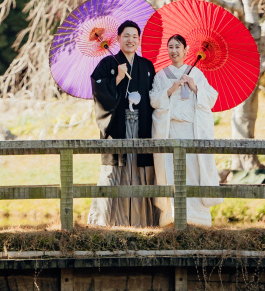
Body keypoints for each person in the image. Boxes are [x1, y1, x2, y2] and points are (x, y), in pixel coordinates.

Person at [88, 19, 157, 227]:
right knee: (115, 171)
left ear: (139, 40)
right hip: (118, 126)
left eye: (135, 36)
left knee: (139, 170)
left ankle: (141, 223)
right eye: (126, 36)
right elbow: (99, 92)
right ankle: (106, 222)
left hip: (141, 125)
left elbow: (154, 96)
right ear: (117, 39)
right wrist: (117, 79)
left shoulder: (146, 66)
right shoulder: (108, 64)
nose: (131, 40)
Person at [150, 32, 221, 226]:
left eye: (178, 47)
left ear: (186, 50)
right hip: (170, 129)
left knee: (193, 170)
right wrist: (170, 90)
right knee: (171, 171)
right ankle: (172, 218)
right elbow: (154, 100)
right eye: (170, 47)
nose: (174, 51)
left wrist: (194, 87)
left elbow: (211, 98)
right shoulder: (161, 76)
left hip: (191, 130)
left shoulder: (196, 74)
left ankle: (197, 218)